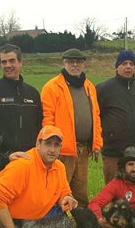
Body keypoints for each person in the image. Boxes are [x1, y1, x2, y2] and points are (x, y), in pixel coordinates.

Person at [40, 48, 103, 207]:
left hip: (82, 151)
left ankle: (80, 227)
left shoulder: (89, 86)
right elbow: (47, 120)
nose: (75, 65)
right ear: (64, 63)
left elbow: (95, 117)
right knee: (58, 194)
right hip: (62, 152)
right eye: (70, 61)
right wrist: (51, 148)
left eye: (78, 62)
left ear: (83, 64)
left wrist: (96, 144)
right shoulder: (52, 87)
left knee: (80, 195)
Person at [96, 50, 135, 183]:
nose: (128, 66)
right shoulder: (104, 89)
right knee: (114, 191)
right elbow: (95, 117)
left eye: (131, 63)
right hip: (113, 152)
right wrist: (105, 138)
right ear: (117, 66)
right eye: (124, 63)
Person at [0, 44, 42, 167]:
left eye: (12, 61)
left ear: (20, 62)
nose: (8, 66)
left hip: (29, 157)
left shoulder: (33, 93)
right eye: (4, 62)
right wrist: (0, 139)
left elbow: (39, 123)